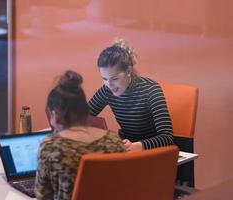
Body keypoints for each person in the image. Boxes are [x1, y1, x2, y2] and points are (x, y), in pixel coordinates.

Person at [34, 70, 125, 200]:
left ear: (55, 115)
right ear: (85, 110)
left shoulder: (52, 147)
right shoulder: (114, 141)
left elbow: (43, 196)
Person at [88, 39, 174, 152]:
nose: (109, 85)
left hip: (152, 153)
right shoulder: (107, 90)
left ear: (128, 70)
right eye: (104, 79)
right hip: (126, 150)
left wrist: (136, 146)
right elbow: (83, 116)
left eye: (114, 79)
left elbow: (167, 138)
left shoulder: (150, 90)